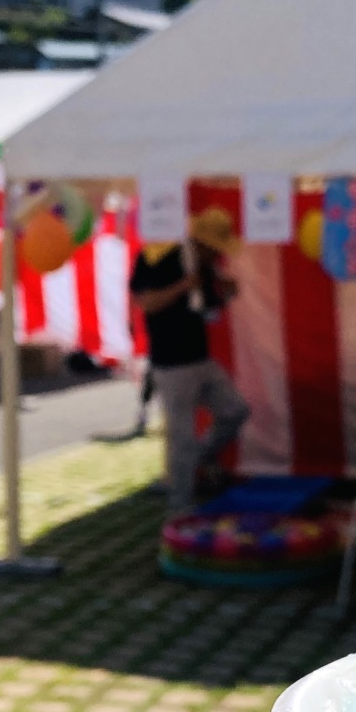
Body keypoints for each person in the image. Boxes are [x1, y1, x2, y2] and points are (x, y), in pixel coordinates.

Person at [132, 206, 251, 514]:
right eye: (215, 249)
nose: (218, 256)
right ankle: (180, 507)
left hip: (200, 357)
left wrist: (224, 294)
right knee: (181, 435)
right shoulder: (158, 256)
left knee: (235, 411)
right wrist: (182, 286)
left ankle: (199, 459)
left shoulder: (204, 265)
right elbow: (146, 302)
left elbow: (206, 312)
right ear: (200, 242)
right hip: (171, 363)